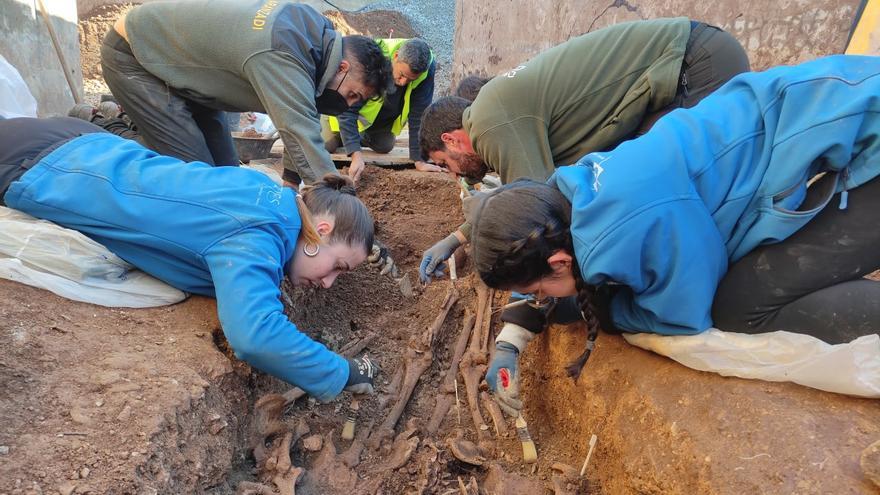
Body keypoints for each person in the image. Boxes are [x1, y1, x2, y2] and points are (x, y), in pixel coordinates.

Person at [467, 55, 880, 417]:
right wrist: (511, 340)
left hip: (865, 143)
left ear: (558, 262)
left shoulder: (626, 225)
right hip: (834, 110)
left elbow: (684, 315)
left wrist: (613, 313)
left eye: (537, 290)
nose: (540, 298)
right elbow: (539, 249)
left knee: (740, 307)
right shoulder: (574, 194)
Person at [0, 117, 380, 402]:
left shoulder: (270, 195)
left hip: (83, 143)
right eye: (337, 268)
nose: (328, 282)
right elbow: (255, 336)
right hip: (39, 164)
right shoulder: (257, 236)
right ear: (323, 230)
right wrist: (342, 372)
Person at [417, 17, 750, 282]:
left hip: (692, 65)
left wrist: (523, 310)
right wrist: (458, 239)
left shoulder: (488, 125)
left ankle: (703, 285)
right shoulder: (496, 115)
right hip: (684, 66)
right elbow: (530, 197)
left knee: (674, 186)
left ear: (451, 140)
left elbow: (533, 214)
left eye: (445, 164)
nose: (453, 174)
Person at [101, 0, 392, 186]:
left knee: (228, 178)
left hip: (192, 74)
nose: (348, 104)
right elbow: (299, 132)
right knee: (198, 181)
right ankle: (111, 134)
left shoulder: (320, 39)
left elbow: (302, 111)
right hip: (138, 56)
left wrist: (290, 186)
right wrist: (345, 210)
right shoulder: (282, 49)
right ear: (342, 67)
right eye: (353, 95)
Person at [323, 38, 444, 181]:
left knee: (385, 144)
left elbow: (419, 113)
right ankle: (340, 136)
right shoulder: (373, 59)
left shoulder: (426, 69)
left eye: (411, 80)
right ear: (396, 56)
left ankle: (353, 137)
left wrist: (419, 160)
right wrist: (356, 155)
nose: (403, 82)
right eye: (402, 75)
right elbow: (347, 110)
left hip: (377, 121)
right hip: (339, 112)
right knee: (326, 145)